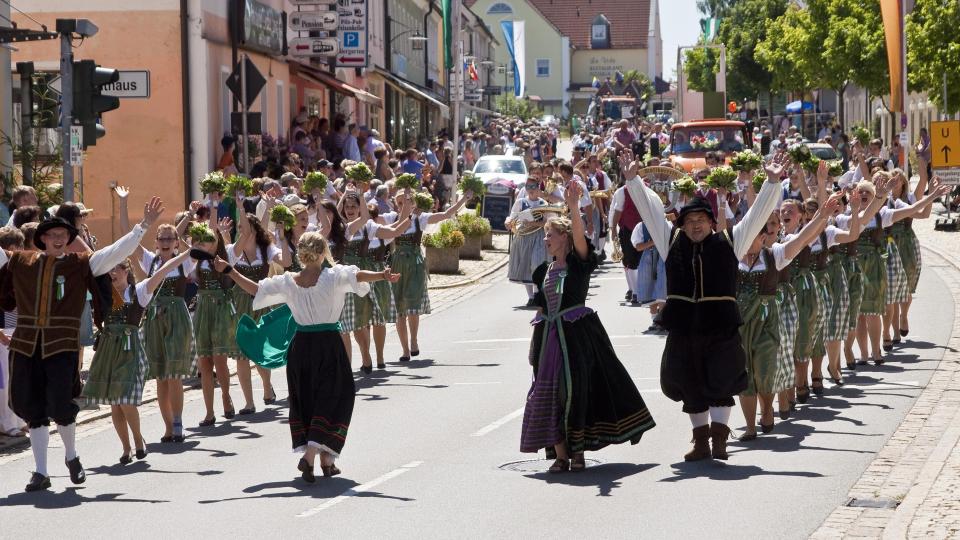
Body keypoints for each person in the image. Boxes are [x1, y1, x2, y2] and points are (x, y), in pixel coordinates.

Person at [621, 153, 784, 461]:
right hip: (684, 327)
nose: (694, 226)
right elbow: (652, 212)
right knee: (689, 381)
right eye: (689, 221)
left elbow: (755, 217)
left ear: (711, 221)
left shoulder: (729, 241)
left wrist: (772, 183)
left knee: (721, 380)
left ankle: (720, 441)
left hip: (720, 326)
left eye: (700, 221)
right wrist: (632, 181)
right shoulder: (671, 241)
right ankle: (701, 442)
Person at [0, 197, 163, 492]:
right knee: (32, 408)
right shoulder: (21, 262)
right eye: (53, 236)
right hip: (26, 346)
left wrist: (143, 227)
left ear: (69, 240)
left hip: (61, 345)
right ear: (42, 239)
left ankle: (72, 457)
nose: (59, 240)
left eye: (64, 236)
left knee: (62, 404)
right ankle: (40, 472)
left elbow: (115, 253)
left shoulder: (80, 264)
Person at [220, 232, 399, 482]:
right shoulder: (332, 277)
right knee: (337, 396)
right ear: (324, 251)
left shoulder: (289, 281)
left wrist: (230, 271)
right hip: (328, 344)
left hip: (301, 348)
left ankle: (327, 461)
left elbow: (256, 289)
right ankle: (311, 454)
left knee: (309, 399)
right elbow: (357, 275)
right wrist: (382, 275)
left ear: (300, 255)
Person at [522, 182, 655, 472]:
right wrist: (537, 346)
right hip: (550, 338)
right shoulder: (543, 271)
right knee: (549, 392)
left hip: (576, 337)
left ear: (565, 238)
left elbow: (581, 237)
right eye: (545, 235)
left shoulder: (577, 262)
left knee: (576, 391)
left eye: (551, 234)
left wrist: (572, 207)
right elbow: (543, 307)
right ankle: (560, 455)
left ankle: (578, 451)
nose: (546, 239)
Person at [81, 252, 191, 464]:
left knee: (124, 400)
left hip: (131, 348)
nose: (112, 273)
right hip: (108, 349)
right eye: (109, 269)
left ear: (126, 271)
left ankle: (138, 440)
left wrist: (187, 253)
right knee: (114, 403)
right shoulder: (103, 293)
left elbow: (163, 270)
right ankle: (126, 447)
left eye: (117, 268)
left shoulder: (138, 292)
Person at [391, 190, 472, 361]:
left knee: (412, 303)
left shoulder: (420, 219)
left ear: (414, 203)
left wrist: (463, 198)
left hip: (415, 264)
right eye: (399, 202)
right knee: (399, 308)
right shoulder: (391, 219)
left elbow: (446, 214)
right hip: (397, 264)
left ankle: (413, 340)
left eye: (406, 201)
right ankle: (405, 349)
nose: (403, 205)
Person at [227, 207, 287, 414]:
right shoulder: (233, 251)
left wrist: (283, 236)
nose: (243, 230)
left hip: (260, 302)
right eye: (240, 227)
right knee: (241, 354)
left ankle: (267, 387)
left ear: (254, 229)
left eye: (246, 227)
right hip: (240, 303)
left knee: (260, 351)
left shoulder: (266, 249)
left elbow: (286, 262)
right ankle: (249, 402)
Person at [189, 221, 238, 427]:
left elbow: (238, 243)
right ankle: (209, 412)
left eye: (208, 240)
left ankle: (226, 396)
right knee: (205, 363)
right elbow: (186, 272)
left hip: (219, 310)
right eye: (200, 240)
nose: (204, 243)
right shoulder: (196, 262)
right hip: (202, 311)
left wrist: (221, 230)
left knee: (220, 360)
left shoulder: (225, 256)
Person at [505, 179, 551, 306]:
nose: (531, 189)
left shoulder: (543, 203)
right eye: (528, 186)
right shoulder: (521, 202)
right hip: (524, 237)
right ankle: (531, 297)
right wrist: (508, 222)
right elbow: (513, 216)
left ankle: (537, 293)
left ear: (538, 188)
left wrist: (534, 223)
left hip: (539, 236)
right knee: (525, 265)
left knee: (537, 263)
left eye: (534, 186)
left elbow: (547, 222)